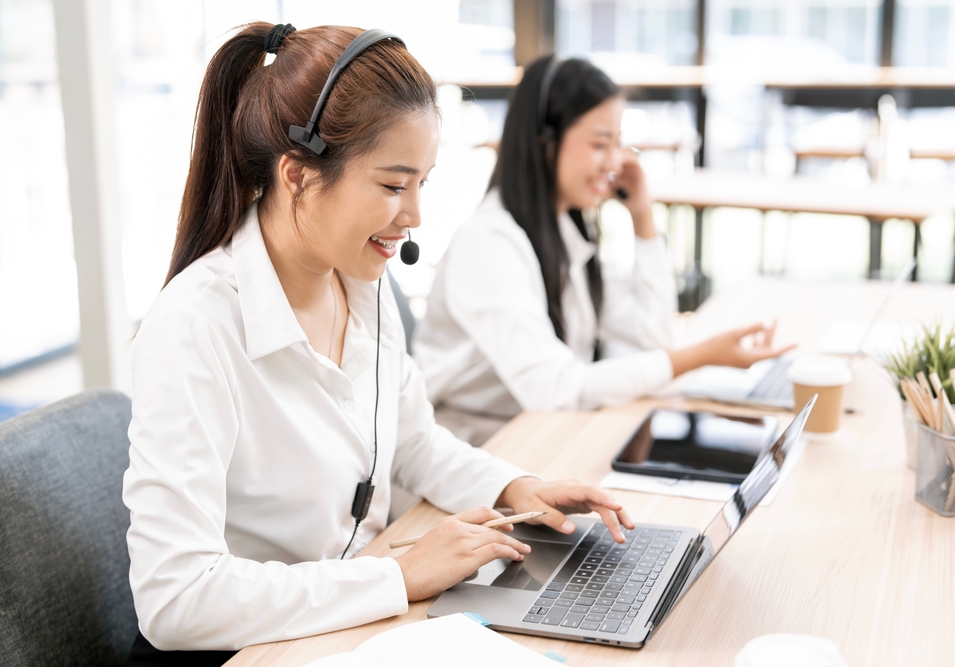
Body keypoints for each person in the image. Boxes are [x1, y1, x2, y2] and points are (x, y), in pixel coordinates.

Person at [122, 24, 632, 665]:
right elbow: (176, 600)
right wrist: (400, 576)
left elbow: (413, 441)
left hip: (344, 628)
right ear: (300, 176)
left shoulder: (360, 283)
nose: (414, 214)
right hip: (238, 651)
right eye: (393, 186)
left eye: (423, 183)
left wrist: (514, 487)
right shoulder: (196, 326)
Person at [412, 55, 792, 446]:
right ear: (545, 139)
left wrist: (642, 217)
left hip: (537, 437)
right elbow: (554, 390)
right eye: (599, 143)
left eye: (618, 144)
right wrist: (700, 356)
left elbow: (654, 334)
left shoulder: (564, 232)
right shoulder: (489, 244)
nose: (615, 163)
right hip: (474, 450)